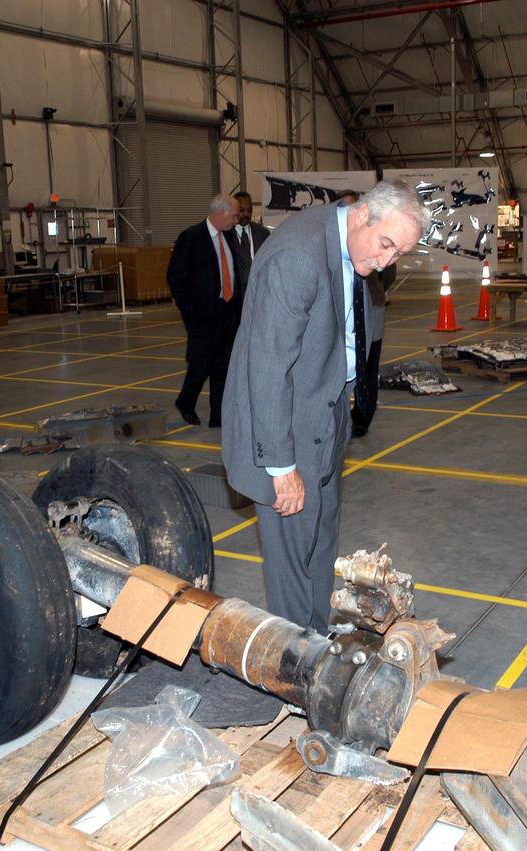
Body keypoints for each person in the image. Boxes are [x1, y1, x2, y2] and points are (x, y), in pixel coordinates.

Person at [221, 180, 428, 632]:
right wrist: (280, 467)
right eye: (386, 244)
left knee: (320, 538)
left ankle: (315, 635)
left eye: (399, 254)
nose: (387, 261)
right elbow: (269, 369)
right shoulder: (299, 256)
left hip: (325, 410)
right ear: (361, 216)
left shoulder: (347, 243)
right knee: (293, 556)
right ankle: (294, 660)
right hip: (286, 428)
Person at [167, 195, 242, 427]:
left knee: (223, 365)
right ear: (221, 212)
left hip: (227, 311)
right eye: (235, 214)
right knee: (200, 364)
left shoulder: (229, 236)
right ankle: (185, 401)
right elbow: (175, 278)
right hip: (202, 315)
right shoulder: (191, 238)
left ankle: (218, 415)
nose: (237, 219)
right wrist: (191, 312)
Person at [337, 190, 395, 437]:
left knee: (369, 364)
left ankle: (363, 417)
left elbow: (390, 272)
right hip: (345, 310)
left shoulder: (376, 241)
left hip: (372, 306)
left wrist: (377, 290)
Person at [230, 192, 271, 295]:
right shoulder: (226, 234)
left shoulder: (263, 233)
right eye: (242, 210)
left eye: (249, 210)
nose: (246, 214)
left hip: (258, 292)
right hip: (234, 296)